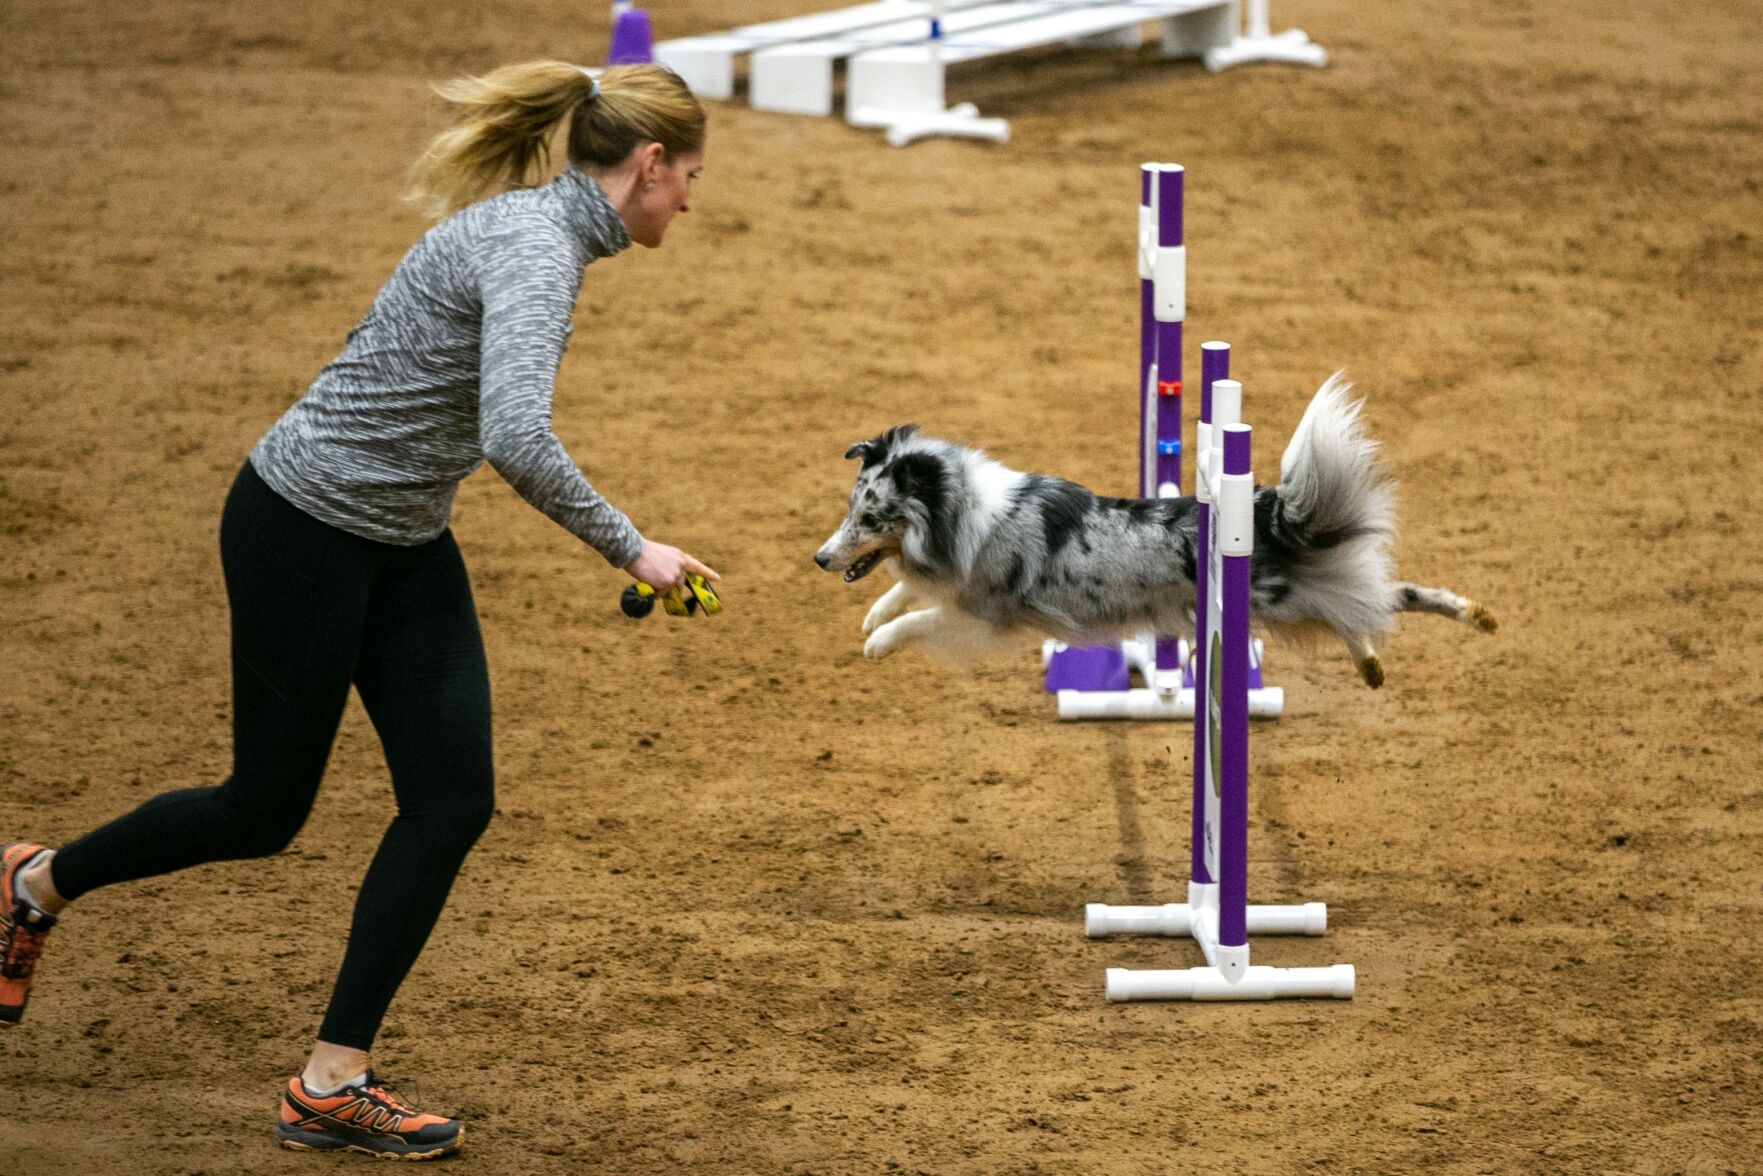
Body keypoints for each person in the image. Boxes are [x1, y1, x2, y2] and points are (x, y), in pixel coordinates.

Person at [0, 60, 717, 1161]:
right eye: (690, 177)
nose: (691, 201)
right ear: (650, 164)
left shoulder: (536, 227)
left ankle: (330, 1082)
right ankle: (32, 885)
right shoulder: (536, 250)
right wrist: (634, 545)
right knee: (262, 810)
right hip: (303, 529)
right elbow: (513, 436)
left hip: (400, 538)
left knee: (450, 800)